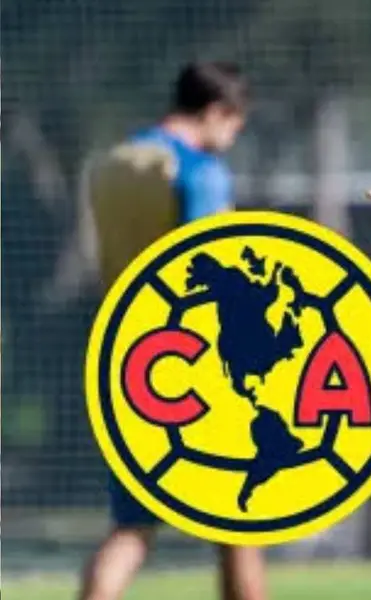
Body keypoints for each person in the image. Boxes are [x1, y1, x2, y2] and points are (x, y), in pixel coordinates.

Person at [79, 61, 268, 600]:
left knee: (133, 527)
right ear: (216, 113)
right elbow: (208, 270)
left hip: (127, 358)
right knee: (239, 525)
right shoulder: (198, 172)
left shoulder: (110, 163)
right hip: (199, 366)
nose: (230, 140)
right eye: (233, 127)